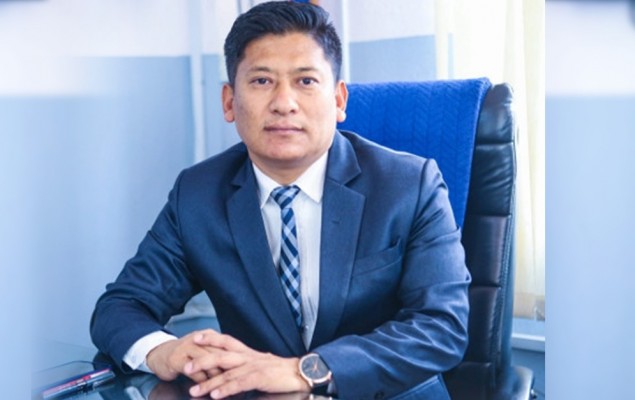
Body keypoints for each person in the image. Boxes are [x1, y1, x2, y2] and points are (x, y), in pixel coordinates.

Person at [90, 2, 470, 399]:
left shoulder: (410, 185)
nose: (284, 102)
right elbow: (121, 305)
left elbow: (441, 327)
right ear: (228, 102)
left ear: (339, 100)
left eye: (306, 81)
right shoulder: (199, 193)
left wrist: (307, 371)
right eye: (261, 81)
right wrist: (163, 351)